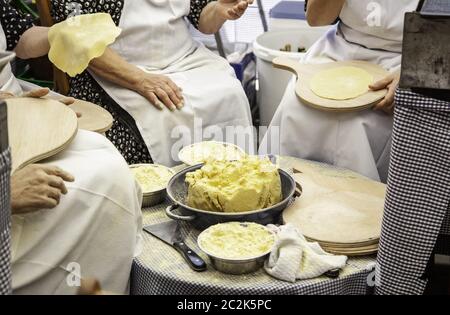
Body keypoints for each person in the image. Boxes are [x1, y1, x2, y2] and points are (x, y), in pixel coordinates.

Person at [0, 2, 143, 294]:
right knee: (96, 182)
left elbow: (18, 35)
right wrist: (6, 193)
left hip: (11, 108)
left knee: (104, 158)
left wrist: (57, 33)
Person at [44, 0, 256, 166]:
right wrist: (140, 79)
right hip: (115, 65)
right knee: (159, 111)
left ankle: (236, 185)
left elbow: (202, 17)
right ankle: (163, 199)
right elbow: (77, 36)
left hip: (184, 56)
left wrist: (218, 10)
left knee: (230, 93)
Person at [260, 0, 420, 182]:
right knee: (296, 107)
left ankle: (365, 203)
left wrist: (411, 70)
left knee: (361, 123)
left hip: (410, 54)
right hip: (342, 45)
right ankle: (282, 191)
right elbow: (316, 18)